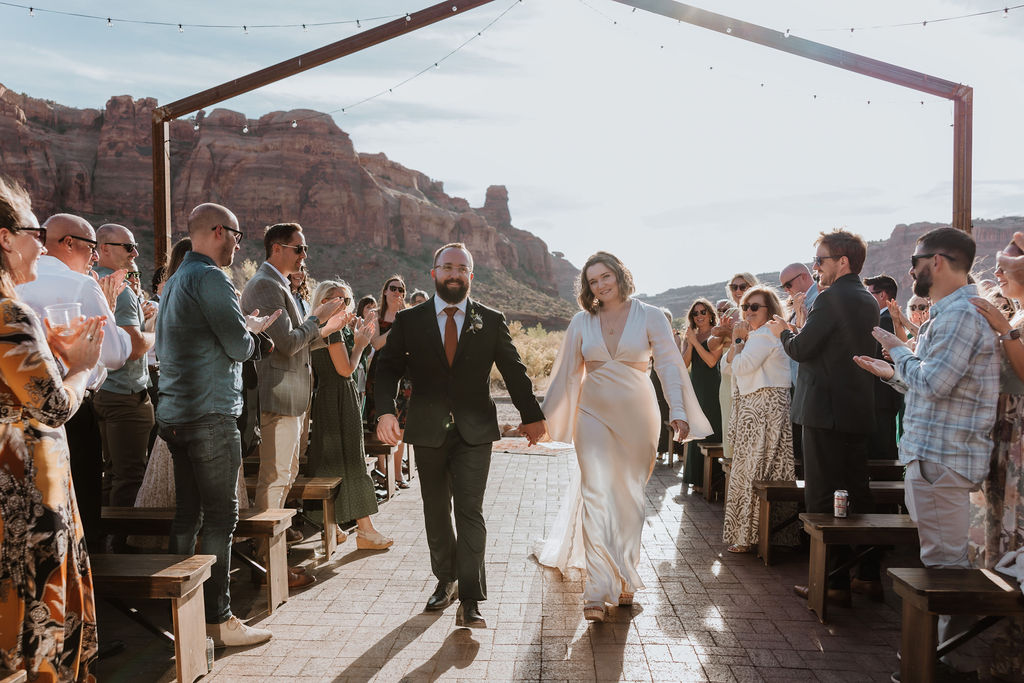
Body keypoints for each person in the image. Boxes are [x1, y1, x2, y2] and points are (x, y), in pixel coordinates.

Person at [375, 242, 547, 629]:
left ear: (471, 276)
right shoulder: (410, 320)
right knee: (436, 509)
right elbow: (386, 368)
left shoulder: (491, 318)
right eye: (447, 267)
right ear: (434, 273)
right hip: (427, 429)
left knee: (469, 510)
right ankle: (446, 578)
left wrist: (531, 415)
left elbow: (514, 369)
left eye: (461, 268)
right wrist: (385, 410)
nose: (454, 274)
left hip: (474, 431)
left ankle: (470, 596)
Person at [534, 251, 712, 623]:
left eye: (605, 276)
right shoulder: (582, 321)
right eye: (592, 280)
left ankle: (625, 574)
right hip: (592, 414)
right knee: (596, 493)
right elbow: (566, 372)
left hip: (638, 415)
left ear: (619, 274)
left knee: (630, 497)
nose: (600, 284)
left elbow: (667, 364)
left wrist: (677, 410)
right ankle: (597, 590)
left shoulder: (649, 315)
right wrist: (540, 419)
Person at [854, 227, 998, 676]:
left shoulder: (958, 316)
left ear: (937, 260)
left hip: (941, 457)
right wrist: (892, 373)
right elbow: (937, 387)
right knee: (942, 561)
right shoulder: (949, 312)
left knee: (944, 568)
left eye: (916, 259)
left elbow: (933, 382)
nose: (911, 268)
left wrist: (898, 350)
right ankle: (939, 658)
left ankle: (939, 664)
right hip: (936, 452)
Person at [156, 202, 283, 647]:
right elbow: (236, 345)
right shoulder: (211, 278)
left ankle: (179, 616)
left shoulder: (173, 282)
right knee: (220, 517)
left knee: (186, 515)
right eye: (236, 234)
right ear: (216, 231)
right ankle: (219, 619)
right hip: (209, 414)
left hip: (173, 414)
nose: (238, 242)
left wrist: (242, 332)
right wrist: (256, 338)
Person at [0, 176, 105, 682]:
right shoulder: (10, 314)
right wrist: (82, 364)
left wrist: (58, 359)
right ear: (4, 237)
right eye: (33, 231)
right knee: (38, 620)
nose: (41, 244)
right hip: (29, 489)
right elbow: (54, 408)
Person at [767, 229, 880, 604]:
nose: (816, 267)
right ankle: (866, 575)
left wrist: (785, 331)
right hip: (855, 410)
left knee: (821, 499)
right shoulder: (866, 299)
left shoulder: (830, 299)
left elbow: (801, 349)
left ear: (842, 262)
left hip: (823, 413)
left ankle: (829, 583)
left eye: (820, 260)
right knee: (857, 498)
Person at [17, 213, 131, 551]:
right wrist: (109, 310)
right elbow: (113, 354)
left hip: (19, 418)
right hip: (71, 407)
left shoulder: (14, 283)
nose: (96, 257)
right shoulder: (81, 285)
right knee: (79, 509)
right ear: (69, 243)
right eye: (92, 247)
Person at [239, 223, 344, 550]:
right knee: (275, 477)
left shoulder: (279, 285)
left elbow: (298, 344)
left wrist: (323, 329)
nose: (304, 256)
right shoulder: (267, 286)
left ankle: (276, 551)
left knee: (286, 474)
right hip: (279, 396)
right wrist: (318, 319)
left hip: (293, 397)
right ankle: (268, 557)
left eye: (305, 250)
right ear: (277, 248)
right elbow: (286, 343)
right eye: (299, 249)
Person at [967, 236, 1024, 680]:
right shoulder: (1016, 312)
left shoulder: (1015, 318)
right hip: (1003, 427)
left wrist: (1004, 330)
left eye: (1007, 266)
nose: (997, 273)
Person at [307, 280, 393, 550]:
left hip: (335, 399)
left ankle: (330, 527)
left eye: (346, 299)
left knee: (333, 461)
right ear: (323, 302)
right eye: (336, 299)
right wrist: (360, 344)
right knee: (352, 462)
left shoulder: (330, 329)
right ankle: (365, 531)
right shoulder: (331, 331)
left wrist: (360, 340)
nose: (344, 304)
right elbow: (346, 369)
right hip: (338, 399)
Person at [722, 286, 797, 553]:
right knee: (756, 467)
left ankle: (749, 536)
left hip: (764, 406)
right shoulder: (756, 336)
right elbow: (726, 366)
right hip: (755, 406)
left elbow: (739, 366)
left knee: (756, 469)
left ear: (770, 310)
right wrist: (738, 344)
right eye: (745, 307)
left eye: (755, 307)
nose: (748, 312)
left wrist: (738, 342)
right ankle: (767, 535)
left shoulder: (765, 335)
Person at [93, 223, 156, 515]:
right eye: (127, 247)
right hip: (126, 395)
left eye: (135, 246)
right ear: (103, 248)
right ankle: (125, 546)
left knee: (110, 473)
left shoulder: (92, 282)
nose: (134, 253)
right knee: (130, 477)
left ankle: (104, 544)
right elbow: (133, 348)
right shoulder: (121, 289)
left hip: (101, 391)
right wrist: (157, 333)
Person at [367, 276, 413, 488]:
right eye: (393, 288)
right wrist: (398, 328)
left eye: (401, 289)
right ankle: (382, 471)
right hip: (380, 373)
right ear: (385, 291)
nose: (397, 292)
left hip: (404, 374)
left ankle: (396, 473)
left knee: (401, 424)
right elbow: (376, 343)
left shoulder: (409, 316)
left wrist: (404, 321)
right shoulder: (375, 316)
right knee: (381, 420)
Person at [711, 273, 759, 462]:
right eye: (734, 287)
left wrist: (728, 333)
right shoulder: (730, 313)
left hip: (748, 376)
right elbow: (713, 344)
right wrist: (720, 332)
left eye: (743, 286)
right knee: (729, 433)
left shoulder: (756, 311)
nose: (738, 291)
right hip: (728, 376)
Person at [680, 298, 723, 493]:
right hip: (695, 386)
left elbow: (712, 362)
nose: (699, 316)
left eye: (703, 312)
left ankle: (712, 481)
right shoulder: (691, 336)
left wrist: (696, 343)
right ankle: (695, 478)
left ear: (710, 314)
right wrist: (690, 342)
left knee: (711, 426)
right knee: (696, 426)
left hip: (712, 386)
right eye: (695, 313)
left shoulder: (717, 333)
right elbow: (685, 363)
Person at [779, 262, 818, 469]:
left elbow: (808, 340)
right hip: (797, 383)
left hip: (809, 384)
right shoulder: (797, 303)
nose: (786, 290)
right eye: (783, 287)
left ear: (803, 277)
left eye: (788, 284)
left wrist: (790, 330)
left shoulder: (816, 299)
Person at [864, 275, 904, 460]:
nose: (866, 297)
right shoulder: (882, 318)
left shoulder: (886, 320)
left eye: (869, 293)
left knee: (883, 447)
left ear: (883, 295)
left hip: (883, 394)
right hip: (882, 393)